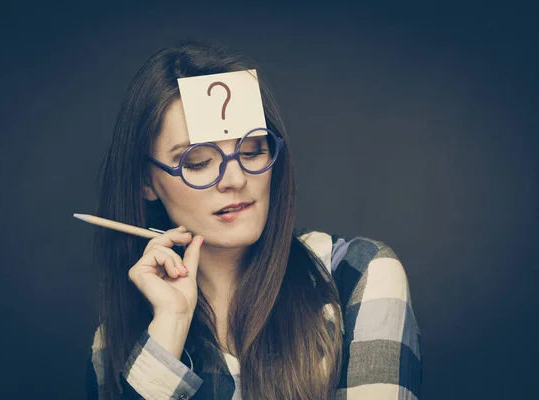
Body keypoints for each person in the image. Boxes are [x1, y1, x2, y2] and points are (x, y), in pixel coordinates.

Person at [85, 41, 422, 400]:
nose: (235, 179)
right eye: (197, 162)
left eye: (251, 150)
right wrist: (170, 325)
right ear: (145, 182)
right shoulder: (116, 343)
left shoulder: (356, 275)